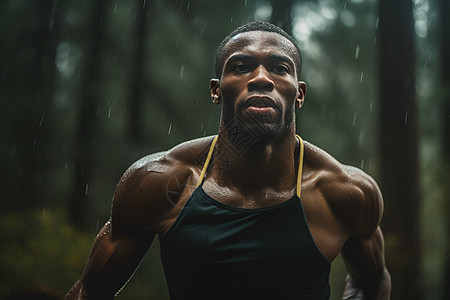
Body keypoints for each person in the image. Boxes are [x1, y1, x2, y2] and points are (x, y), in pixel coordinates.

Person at [64, 21, 391, 300]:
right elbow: (90, 292)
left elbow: (371, 283)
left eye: (279, 68)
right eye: (241, 66)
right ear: (216, 90)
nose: (262, 77)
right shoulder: (160, 181)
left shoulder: (345, 193)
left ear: (299, 93)